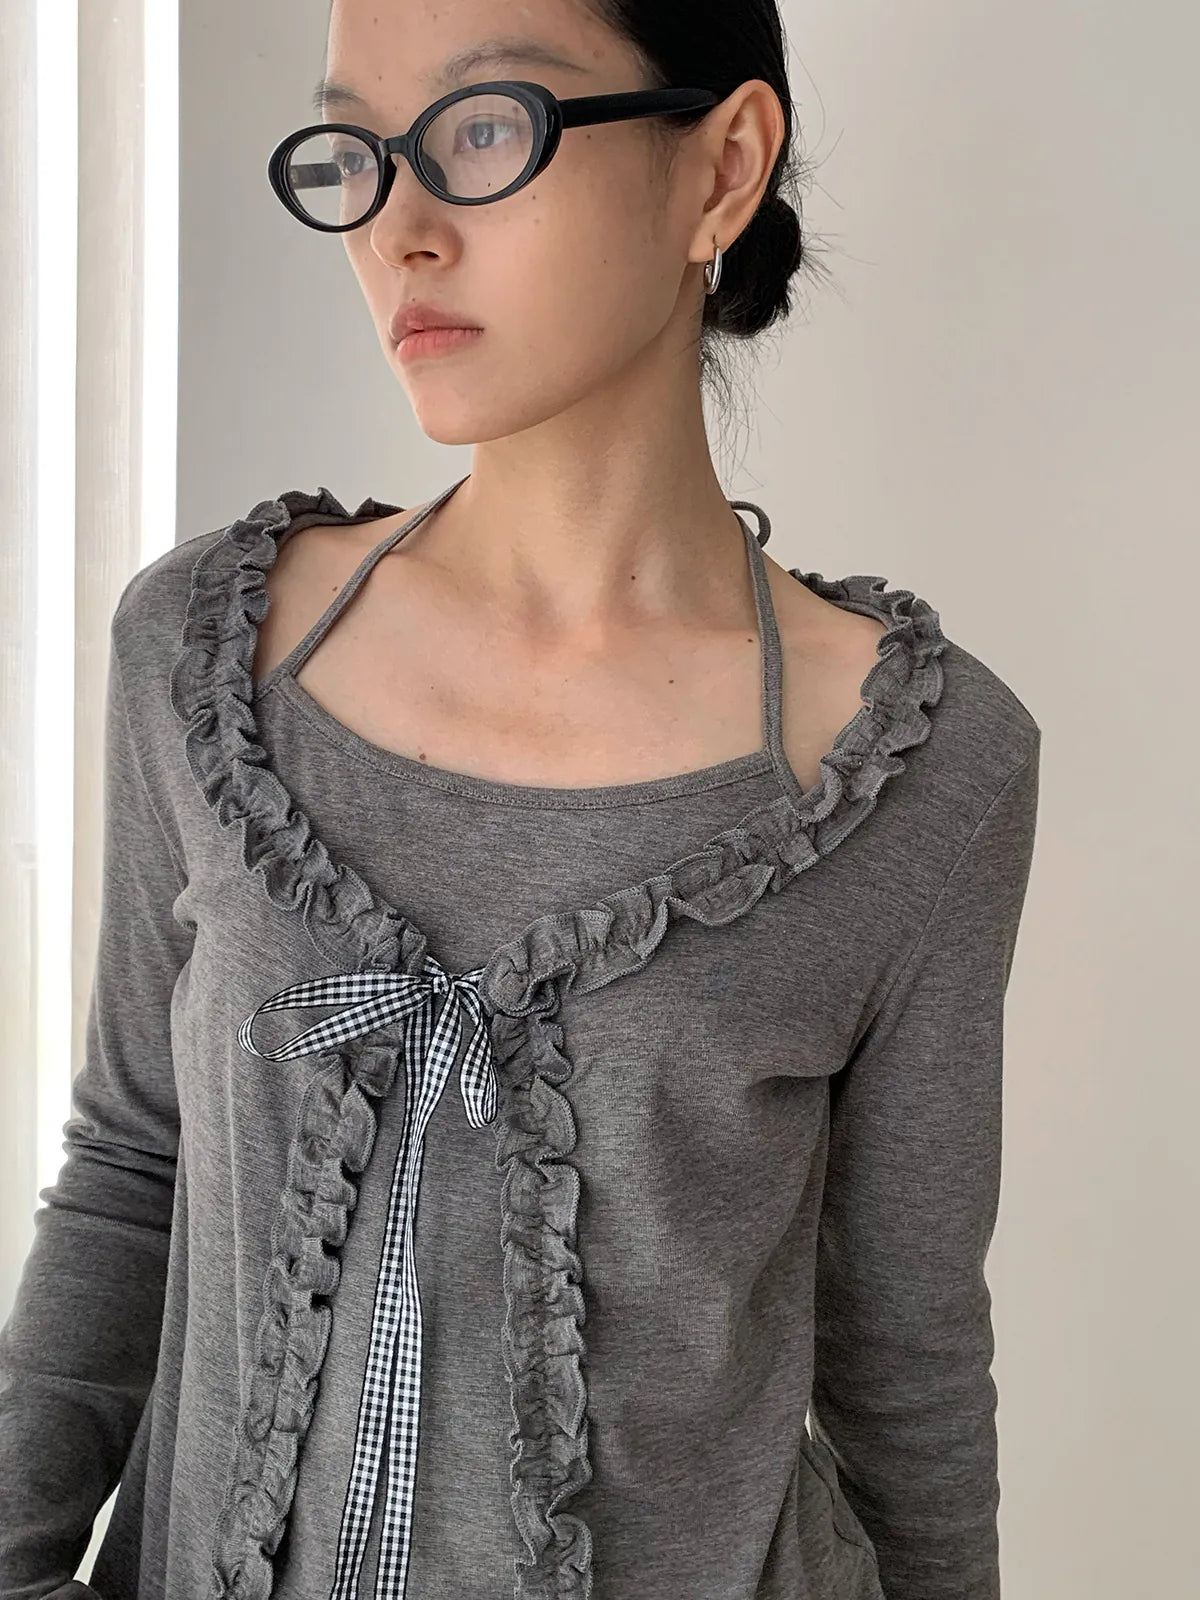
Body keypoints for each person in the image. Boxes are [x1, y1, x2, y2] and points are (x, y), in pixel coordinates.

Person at [0, 2, 1041, 1598]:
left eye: (486, 126)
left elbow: (904, 1363)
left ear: (724, 167)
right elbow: (133, 1171)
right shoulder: (203, 655)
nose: (399, 229)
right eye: (357, 149)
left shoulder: (920, 770)